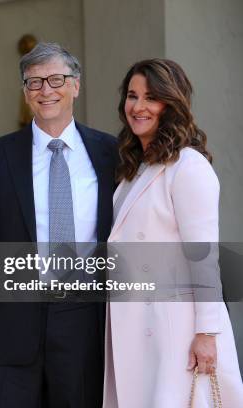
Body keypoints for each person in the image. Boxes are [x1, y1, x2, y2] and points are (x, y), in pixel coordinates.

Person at [0, 42, 118, 407]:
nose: (46, 91)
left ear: (76, 85)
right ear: (25, 92)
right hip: (9, 329)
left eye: (56, 79)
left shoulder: (112, 154)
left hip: (85, 324)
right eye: (34, 82)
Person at [104, 58, 243, 407]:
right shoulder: (134, 168)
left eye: (151, 97)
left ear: (172, 103)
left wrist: (206, 333)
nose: (138, 106)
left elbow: (203, 255)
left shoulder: (188, 166)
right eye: (132, 96)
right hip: (136, 323)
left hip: (175, 329)